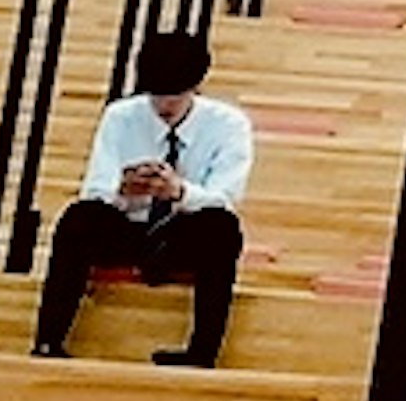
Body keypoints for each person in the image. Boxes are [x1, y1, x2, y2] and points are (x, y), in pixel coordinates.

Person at [34, 26, 251, 367]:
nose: (164, 105)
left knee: (222, 228)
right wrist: (124, 192)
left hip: (184, 231)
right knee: (78, 219)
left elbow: (224, 196)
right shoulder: (121, 116)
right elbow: (96, 189)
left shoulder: (228, 125)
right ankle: (48, 339)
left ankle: (203, 350)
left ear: (194, 89)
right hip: (128, 226)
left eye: (173, 97)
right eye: (157, 96)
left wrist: (179, 192)